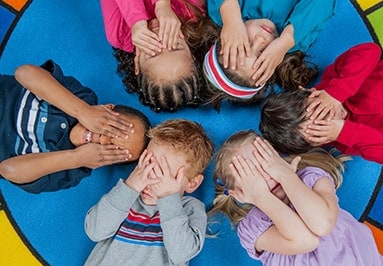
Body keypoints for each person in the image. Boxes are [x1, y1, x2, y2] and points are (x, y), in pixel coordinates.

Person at [209, 130, 383, 266]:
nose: (268, 177)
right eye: (254, 177)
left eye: (265, 164)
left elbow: (322, 224)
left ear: (276, 156)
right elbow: (306, 241)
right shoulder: (253, 227)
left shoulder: (310, 178)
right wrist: (261, 196)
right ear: (240, 193)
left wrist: (285, 175)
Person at [0, 60, 151, 193]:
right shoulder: (82, 97)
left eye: (113, 149)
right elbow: (24, 73)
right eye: (113, 129)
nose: (103, 140)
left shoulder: (72, 171)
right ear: (107, 108)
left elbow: (8, 170)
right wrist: (82, 111)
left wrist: (76, 158)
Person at [83, 119, 214, 266]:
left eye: (163, 175)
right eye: (147, 165)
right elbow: (94, 231)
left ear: (193, 183)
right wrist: (130, 186)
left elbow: (181, 253)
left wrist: (168, 198)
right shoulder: (125, 197)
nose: (150, 179)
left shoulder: (190, 208)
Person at [260, 42, 383, 164]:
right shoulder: (347, 142)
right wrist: (344, 131)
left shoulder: (334, 79)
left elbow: (371, 50)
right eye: (321, 128)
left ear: (308, 91)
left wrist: (336, 92)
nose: (331, 117)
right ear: (318, 143)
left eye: (319, 109)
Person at [202, 0, 334, 109]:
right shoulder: (294, 39)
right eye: (262, 54)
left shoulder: (225, 13)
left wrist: (231, 19)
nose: (261, 39)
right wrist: (286, 40)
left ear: (224, 38)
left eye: (246, 42)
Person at [100, 0, 219, 112]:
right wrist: (163, 5)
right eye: (175, 46)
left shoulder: (119, 33)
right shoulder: (191, 12)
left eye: (154, 52)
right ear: (192, 53)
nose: (161, 38)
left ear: (137, 64)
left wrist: (136, 21)